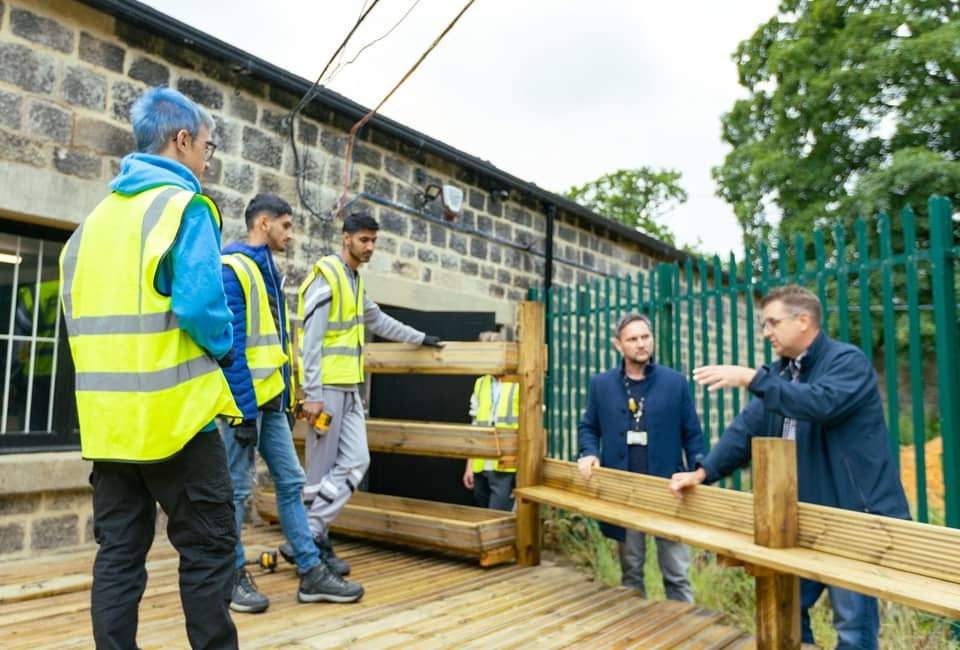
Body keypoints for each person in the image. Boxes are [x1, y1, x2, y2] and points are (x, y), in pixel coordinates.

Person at [58, 86, 241, 649]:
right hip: (174, 422)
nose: (208, 160)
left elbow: (76, 318)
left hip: (108, 427)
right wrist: (225, 347)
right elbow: (200, 307)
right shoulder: (184, 207)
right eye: (208, 147)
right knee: (210, 551)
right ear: (182, 140)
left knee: (118, 555)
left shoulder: (90, 225)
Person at [669, 284, 910, 649]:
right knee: (787, 608)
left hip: (849, 519)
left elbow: (820, 403)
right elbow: (745, 429)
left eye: (771, 323)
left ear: (802, 321)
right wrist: (703, 471)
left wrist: (753, 379)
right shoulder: (781, 375)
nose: (766, 333)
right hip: (798, 519)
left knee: (853, 629)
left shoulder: (847, 363)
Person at [220, 194, 363, 613]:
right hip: (243, 405)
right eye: (286, 225)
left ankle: (311, 571)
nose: (291, 234)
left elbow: (275, 344)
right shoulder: (233, 268)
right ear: (263, 223)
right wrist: (244, 411)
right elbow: (230, 346)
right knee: (236, 490)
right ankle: (229, 576)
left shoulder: (268, 269)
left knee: (290, 481)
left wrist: (286, 397)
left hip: (270, 404)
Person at [296, 211, 444, 591]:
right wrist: (310, 395)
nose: (370, 247)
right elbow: (308, 342)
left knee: (357, 459)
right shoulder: (327, 277)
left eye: (374, 241)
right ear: (345, 238)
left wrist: (420, 337)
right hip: (325, 391)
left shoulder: (354, 282)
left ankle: (308, 533)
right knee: (317, 474)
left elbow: (378, 321)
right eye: (364, 240)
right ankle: (312, 549)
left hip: (349, 388)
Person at [578, 313, 705, 602]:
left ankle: (684, 634)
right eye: (632, 339)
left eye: (645, 337)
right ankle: (635, 633)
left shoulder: (675, 383)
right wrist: (589, 453)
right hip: (625, 492)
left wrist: (698, 471)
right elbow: (589, 427)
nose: (640, 344)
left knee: (677, 574)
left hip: (668, 492)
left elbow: (693, 434)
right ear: (618, 345)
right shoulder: (602, 384)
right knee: (631, 571)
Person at [462, 331, 519, 511]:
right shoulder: (481, 383)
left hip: (506, 466)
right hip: (481, 463)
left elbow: (531, 429)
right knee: (483, 513)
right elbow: (475, 425)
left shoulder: (520, 383)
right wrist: (469, 466)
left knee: (498, 518)